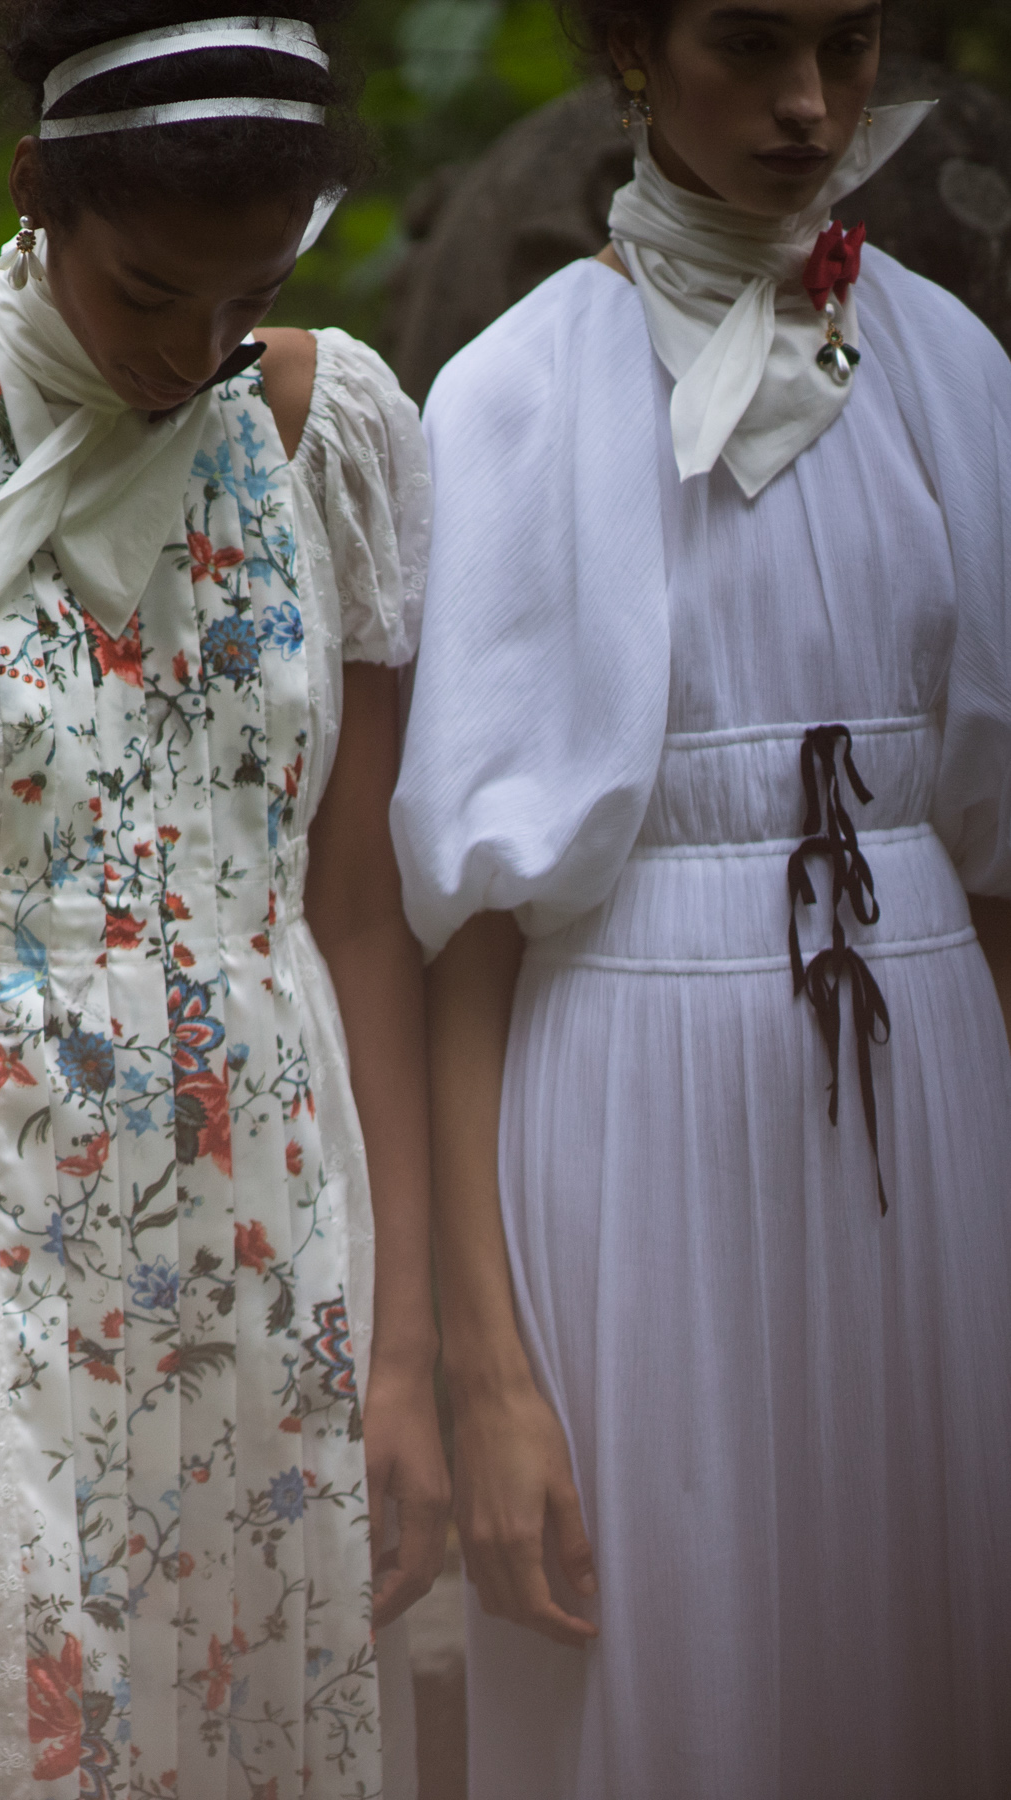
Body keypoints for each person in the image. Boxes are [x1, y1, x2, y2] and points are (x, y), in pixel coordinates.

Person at [0, 0, 447, 1791]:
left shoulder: (323, 426)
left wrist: (411, 1355)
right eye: (145, 294)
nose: (193, 350)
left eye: (245, 291)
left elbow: (362, 916)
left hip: (269, 1212)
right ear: (37, 190)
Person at [392, 0, 1011, 1788]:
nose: (811, 105)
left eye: (850, 42)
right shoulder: (514, 393)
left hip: (929, 1085)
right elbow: (469, 933)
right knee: (665, 1654)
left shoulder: (958, 368)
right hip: (631, 1097)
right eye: (750, 43)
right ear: (637, 46)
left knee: (920, 1630)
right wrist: (486, 1374)